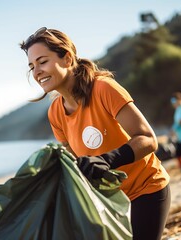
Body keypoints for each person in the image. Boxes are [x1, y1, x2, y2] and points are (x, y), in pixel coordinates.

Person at [20, 27, 170, 240]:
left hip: (145, 191)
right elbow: (74, 163)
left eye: (42, 62)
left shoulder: (103, 89)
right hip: (105, 201)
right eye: (31, 66)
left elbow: (148, 139)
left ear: (67, 58)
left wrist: (108, 159)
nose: (36, 72)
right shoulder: (55, 113)